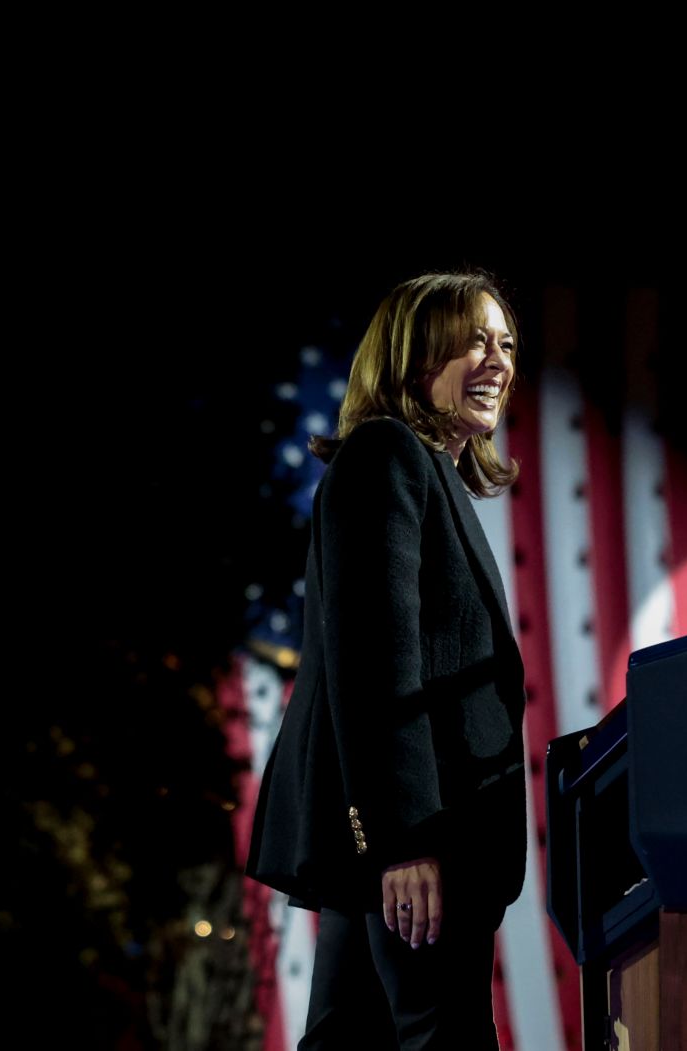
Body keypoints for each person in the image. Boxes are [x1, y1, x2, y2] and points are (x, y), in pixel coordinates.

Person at [246, 272, 529, 1049]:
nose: (498, 361)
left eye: (506, 343)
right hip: (414, 845)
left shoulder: (427, 468)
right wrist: (404, 843)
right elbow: (377, 664)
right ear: (412, 355)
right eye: (474, 338)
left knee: (347, 1038)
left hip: (390, 848)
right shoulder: (386, 455)